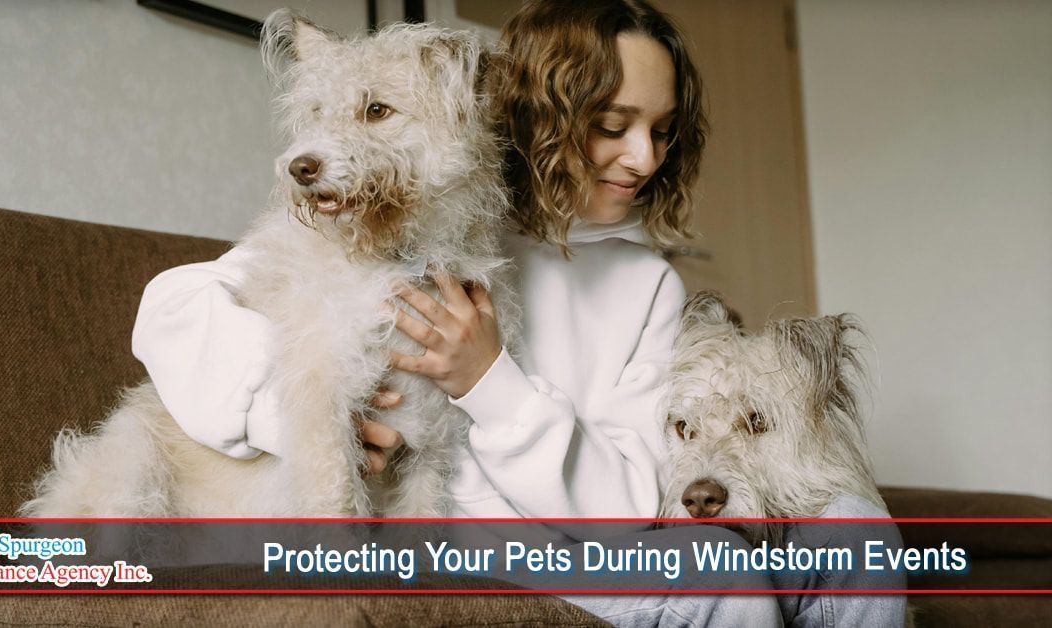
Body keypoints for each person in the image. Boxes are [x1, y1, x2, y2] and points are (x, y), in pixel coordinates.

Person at [132, 0, 900, 625]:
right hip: (471, 539)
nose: (642, 158)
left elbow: (636, 500)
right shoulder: (412, 212)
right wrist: (307, 425)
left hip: (593, 535)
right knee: (721, 573)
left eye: (661, 131)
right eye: (612, 125)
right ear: (536, 109)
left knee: (857, 531)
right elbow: (171, 310)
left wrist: (489, 381)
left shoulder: (649, 286)